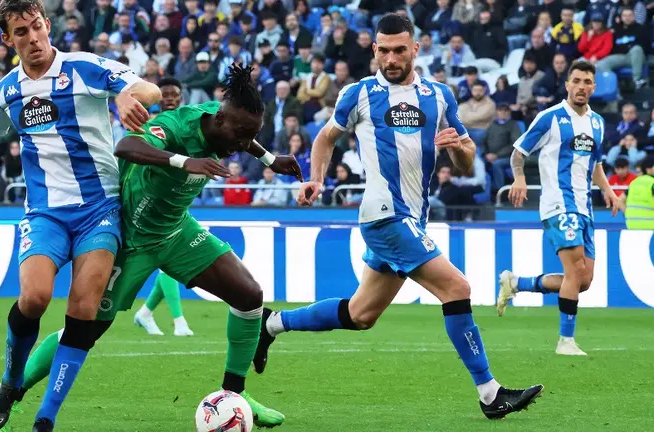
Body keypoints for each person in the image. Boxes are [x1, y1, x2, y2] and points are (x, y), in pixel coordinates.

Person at [253, 14, 543, 420]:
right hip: (383, 216)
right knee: (457, 287)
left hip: (413, 218)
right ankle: (490, 393)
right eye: (383, 51)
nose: (390, 58)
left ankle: (270, 326)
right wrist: (316, 180)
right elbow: (324, 138)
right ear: (374, 50)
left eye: (399, 50)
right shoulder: (359, 93)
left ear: (415, 49)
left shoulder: (440, 95)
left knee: (361, 315)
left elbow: (465, 161)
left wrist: (456, 147)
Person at [11, 64, 302, 429]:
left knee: (249, 295)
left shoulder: (229, 125)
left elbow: (246, 135)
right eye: (241, 135)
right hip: (132, 239)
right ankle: (13, 391)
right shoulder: (178, 126)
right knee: (84, 332)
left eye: (251, 136)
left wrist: (271, 159)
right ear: (221, 118)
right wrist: (184, 161)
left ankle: (234, 395)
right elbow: (127, 145)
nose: (243, 145)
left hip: (177, 230)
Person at [0, 0, 161, 431]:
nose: (33, 38)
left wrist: (130, 94)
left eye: (37, 27)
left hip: (100, 210)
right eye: (22, 32)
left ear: (47, 24)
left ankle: (45, 418)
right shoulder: (9, 90)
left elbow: (145, 87)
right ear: (7, 39)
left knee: (83, 309)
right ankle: (10, 383)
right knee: (34, 299)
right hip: (45, 215)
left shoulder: (83, 68)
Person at [500, 61, 619, 357]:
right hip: (558, 204)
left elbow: (596, 164)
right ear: (567, 84)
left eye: (587, 81)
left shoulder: (598, 123)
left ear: (593, 86)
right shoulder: (550, 118)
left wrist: (608, 189)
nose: (581, 86)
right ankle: (565, 341)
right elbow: (519, 152)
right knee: (575, 269)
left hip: (585, 208)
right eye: (576, 80)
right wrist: (519, 178)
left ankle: (517, 283)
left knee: (584, 281)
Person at [133, 76, 195, 337]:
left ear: (181, 97)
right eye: (165, 94)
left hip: (178, 197)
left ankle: (146, 312)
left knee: (170, 257)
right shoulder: (150, 123)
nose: (170, 98)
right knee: (167, 256)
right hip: (151, 197)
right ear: (158, 97)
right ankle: (179, 321)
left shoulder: (189, 123)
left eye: (174, 94)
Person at [621, 155, 654, 229]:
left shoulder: (634, 182)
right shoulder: (652, 183)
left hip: (631, 225)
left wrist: (628, 214)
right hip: (650, 227)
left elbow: (620, 200)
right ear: (648, 169)